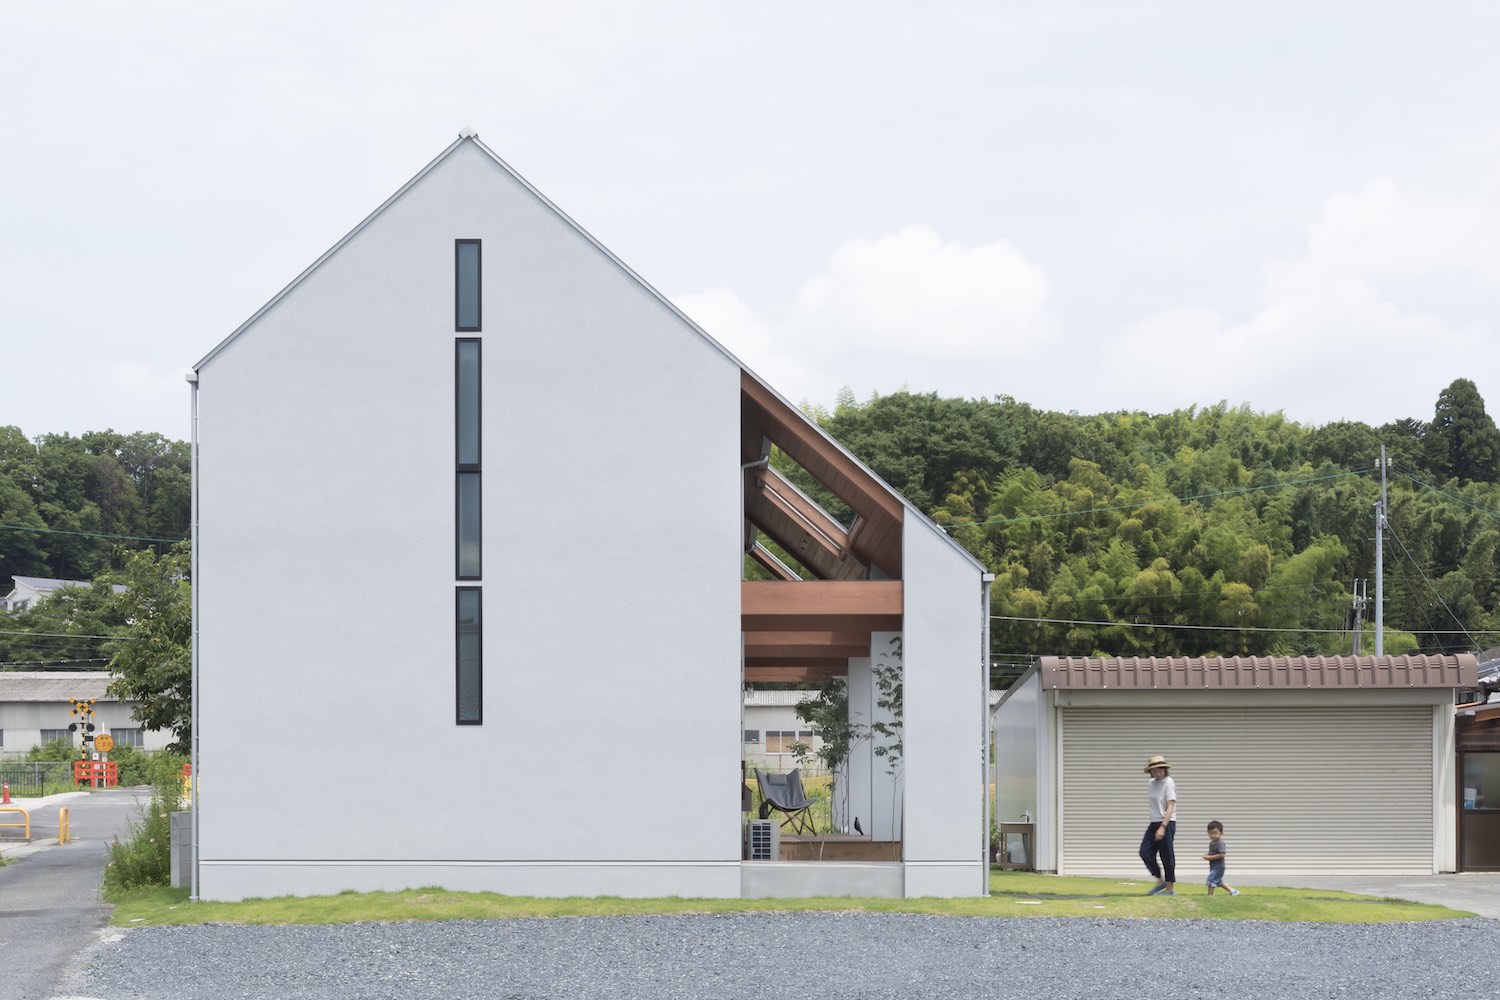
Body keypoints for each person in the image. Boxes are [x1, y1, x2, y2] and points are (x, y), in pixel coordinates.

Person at [1140, 755, 1176, 895]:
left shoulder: (1169, 782)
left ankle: (1170, 888)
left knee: (1166, 855)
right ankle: (1160, 881)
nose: (1157, 773)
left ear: (1165, 770)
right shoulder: (1151, 783)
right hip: (1154, 822)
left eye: (1160, 770)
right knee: (1145, 852)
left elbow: (1170, 805)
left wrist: (1163, 826)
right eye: (1154, 771)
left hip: (1167, 822)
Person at [1202, 821, 1240, 896]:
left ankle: (1210, 895)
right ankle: (1233, 891)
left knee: (1211, 879)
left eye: (1215, 833)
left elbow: (1222, 855)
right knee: (1219, 881)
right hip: (1213, 867)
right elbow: (1213, 854)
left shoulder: (1220, 843)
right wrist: (1208, 856)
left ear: (1221, 833)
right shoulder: (1212, 843)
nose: (1213, 835)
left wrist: (1209, 857)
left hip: (1219, 867)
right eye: (1210, 833)